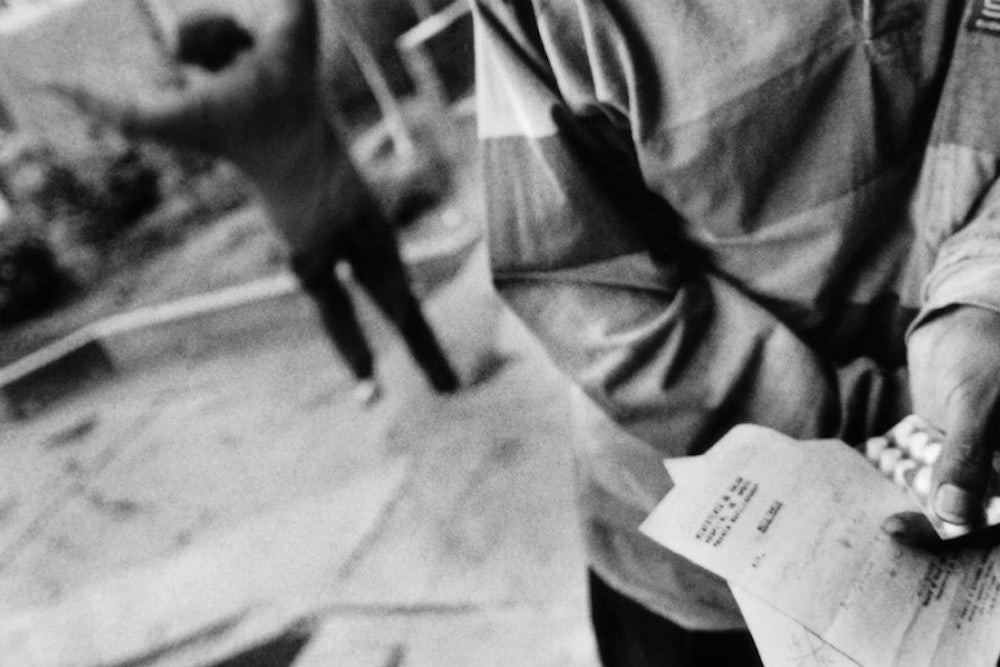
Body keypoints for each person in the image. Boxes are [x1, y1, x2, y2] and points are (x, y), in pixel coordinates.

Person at [473, 1, 1000, 664]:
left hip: (969, 486)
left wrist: (983, 292)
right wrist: (891, 420)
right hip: (710, 563)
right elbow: (584, 285)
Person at [49, 0, 459, 404]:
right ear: (233, 30)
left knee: (329, 301)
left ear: (198, 61)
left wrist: (72, 92)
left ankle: (363, 375)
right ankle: (441, 375)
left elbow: (134, 119)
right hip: (351, 202)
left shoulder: (205, 108)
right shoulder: (285, 53)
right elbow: (300, 8)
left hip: (300, 229)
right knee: (393, 289)